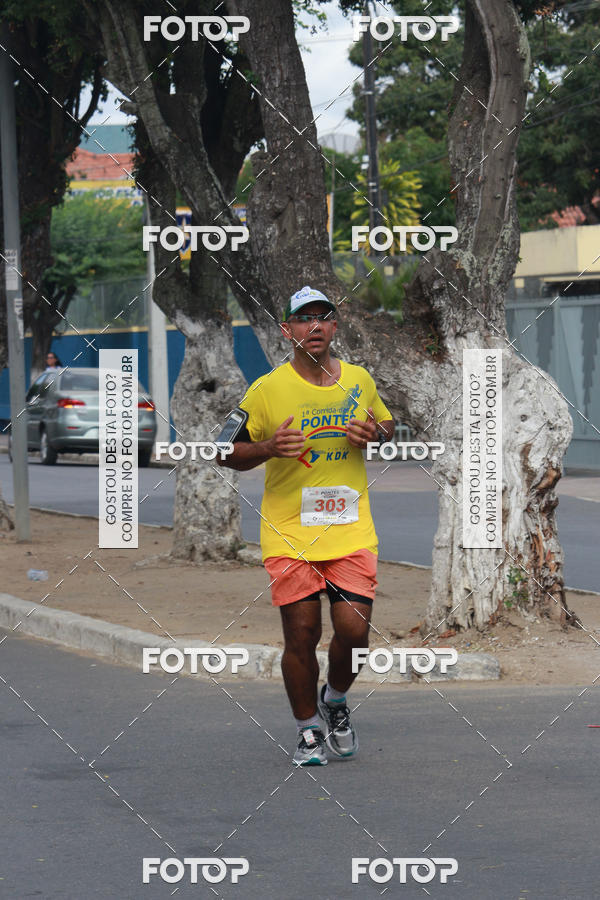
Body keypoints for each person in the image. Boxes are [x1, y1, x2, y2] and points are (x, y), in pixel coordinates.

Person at [219, 285, 394, 765]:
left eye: (324, 317)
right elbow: (222, 450)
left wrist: (374, 434)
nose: (314, 325)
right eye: (304, 318)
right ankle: (307, 729)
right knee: (301, 634)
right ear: (287, 330)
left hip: (350, 527)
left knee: (355, 631)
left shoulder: (359, 379)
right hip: (289, 531)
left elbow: (386, 424)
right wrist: (269, 449)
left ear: (335, 327)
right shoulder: (266, 390)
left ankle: (334, 699)